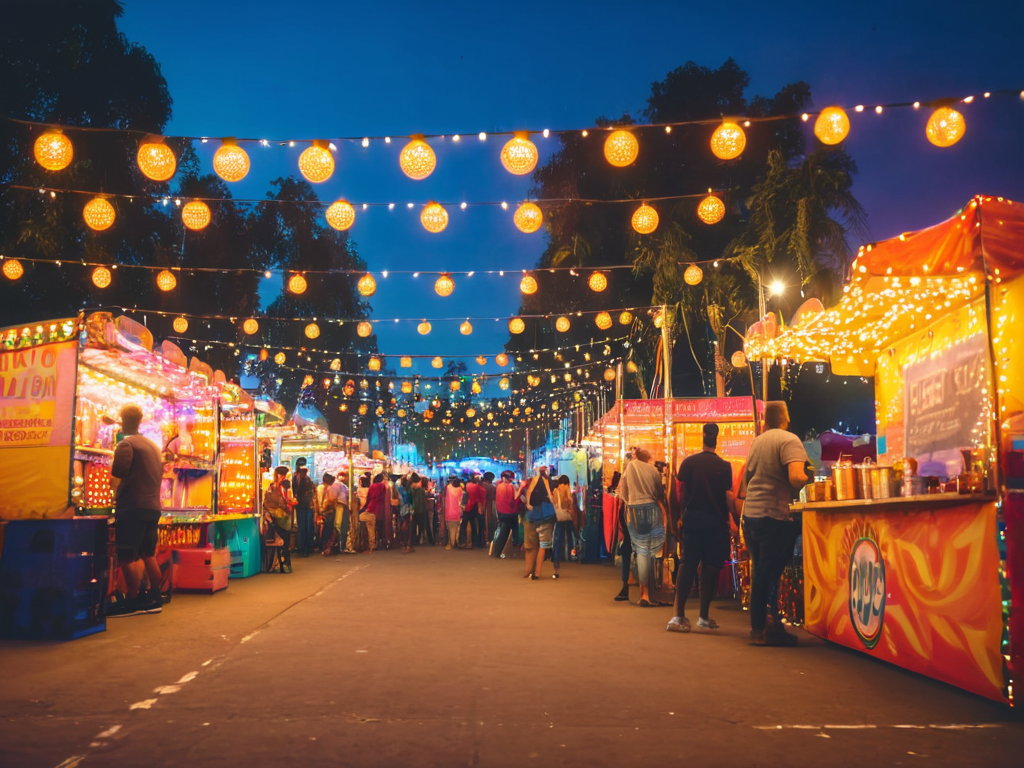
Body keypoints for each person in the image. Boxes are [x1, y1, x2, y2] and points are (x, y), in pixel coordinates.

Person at [739, 401, 811, 646]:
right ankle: (760, 628)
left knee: (762, 570)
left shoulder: (757, 442)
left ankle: (771, 625)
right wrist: (810, 480)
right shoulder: (790, 440)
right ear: (785, 417)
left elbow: (745, 481)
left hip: (752, 516)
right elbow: (795, 477)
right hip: (774, 516)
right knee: (767, 573)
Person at [667, 423, 736, 633]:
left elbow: (677, 493)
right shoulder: (725, 467)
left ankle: (678, 615)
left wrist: (675, 519)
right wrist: (734, 521)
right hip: (716, 523)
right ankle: (704, 616)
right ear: (717, 439)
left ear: (702, 438)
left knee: (688, 565)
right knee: (711, 568)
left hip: (693, 520)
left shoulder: (689, 463)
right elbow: (728, 497)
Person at [107, 404, 165, 617]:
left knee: (126, 555)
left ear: (123, 421)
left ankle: (134, 600)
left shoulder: (127, 444)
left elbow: (118, 472)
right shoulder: (151, 445)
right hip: (152, 506)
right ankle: (155, 598)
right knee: (147, 554)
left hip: (133, 506)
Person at [617, 448, 666, 607]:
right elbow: (660, 493)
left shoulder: (629, 468)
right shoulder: (652, 470)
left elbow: (622, 492)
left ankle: (642, 593)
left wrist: (630, 501)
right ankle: (646, 595)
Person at [522, 467, 557, 580]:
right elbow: (550, 496)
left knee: (530, 545)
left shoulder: (536, 480)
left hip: (532, 515)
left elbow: (529, 492)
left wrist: (528, 504)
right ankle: (536, 572)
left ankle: (529, 570)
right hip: (545, 516)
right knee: (542, 546)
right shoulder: (546, 481)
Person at [264, 466, 295, 573]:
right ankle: (274, 564)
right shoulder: (271, 487)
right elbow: (267, 502)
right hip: (274, 518)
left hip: (285, 518)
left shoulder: (287, 486)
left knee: (285, 542)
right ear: (276, 475)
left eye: (284, 475)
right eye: (281, 475)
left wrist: (289, 504)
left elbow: (290, 499)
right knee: (276, 542)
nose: (283, 477)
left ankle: (286, 564)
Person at [551, 475, 578, 579]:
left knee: (557, 541)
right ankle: (572, 555)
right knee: (572, 537)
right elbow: (569, 508)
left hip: (559, 520)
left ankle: (556, 565)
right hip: (566, 520)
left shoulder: (555, 492)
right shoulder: (566, 493)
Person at [492, 471, 522, 558]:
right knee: (514, 531)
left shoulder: (498, 486)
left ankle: (497, 551)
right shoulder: (511, 486)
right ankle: (514, 548)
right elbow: (517, 498)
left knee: (502, 531)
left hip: (501, 512)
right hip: (511, 512)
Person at [293, 466, 316, 557]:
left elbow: (297, 493)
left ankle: (304, 549)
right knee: (308, 528)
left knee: (303, 529)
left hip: (302, 507)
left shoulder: (299, 481)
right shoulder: (309, 481)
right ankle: (309, 548)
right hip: (308, 507)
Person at [364, 473, 389, 550]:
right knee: (380, 526)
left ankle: (372, 543)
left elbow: (368, 498)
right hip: (380, 508)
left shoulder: (372, 486)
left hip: (372, 507)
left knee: (372, 526)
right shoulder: (382, 486)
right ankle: (380, 541)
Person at [459, 474, 485, 549]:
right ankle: (474, 542)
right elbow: (479, 499)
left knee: (464, 524)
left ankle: (463, 541)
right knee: (473, 525)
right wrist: (480, 508)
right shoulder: (478, 487)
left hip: (467, 506)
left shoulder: (467, 485)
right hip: (474, 506)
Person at [443, 477, 464, 550]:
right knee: (456, 529)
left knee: (450, 529)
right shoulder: (460, 489)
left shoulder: (448, 488)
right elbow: (461, 500)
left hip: (448, 512)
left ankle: (451, 543)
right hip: (457, 512)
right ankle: (455, 541)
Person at [411, 473, 431, 546]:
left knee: (414, 526)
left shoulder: (412, 491)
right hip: (421, 510)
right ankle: (424, 539)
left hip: (414, 510)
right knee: (422, 526)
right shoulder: (420, 491)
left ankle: (415, 540)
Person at [398, 473, 416, 554]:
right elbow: (412, 502)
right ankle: (408, 545)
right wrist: (412, 511)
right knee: (408, 529)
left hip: (402, 510)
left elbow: (400, 500)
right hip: (408, 510)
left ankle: (403, 545)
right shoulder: (410, 491)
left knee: (403, 528)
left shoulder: (400, 489)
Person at [480, 472, 498, 547]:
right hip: (488, 506)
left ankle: (485, 539)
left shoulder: (482, 485)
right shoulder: (490, 487)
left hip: (483, 505)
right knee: (488, 523)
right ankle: (487, 539)